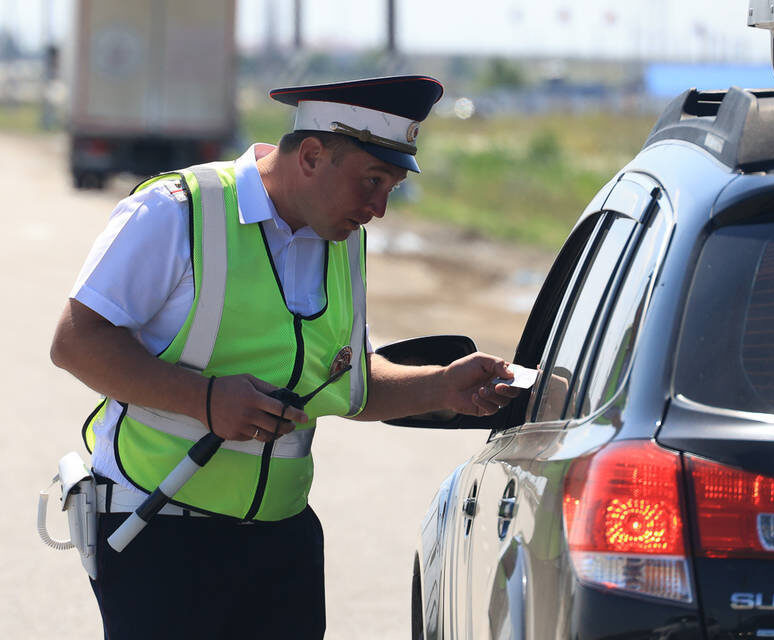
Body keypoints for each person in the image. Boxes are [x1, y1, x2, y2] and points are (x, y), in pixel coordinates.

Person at [50, 75, 518, 639]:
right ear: (313, 156)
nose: (379, 208)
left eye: (391, 187)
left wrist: (442, 385)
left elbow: (345, 380)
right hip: (158, 527)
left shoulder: (342, 238)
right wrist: (204, 400)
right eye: (372, 181)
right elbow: (76, 341)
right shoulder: (176, 210)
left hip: (280, 541)